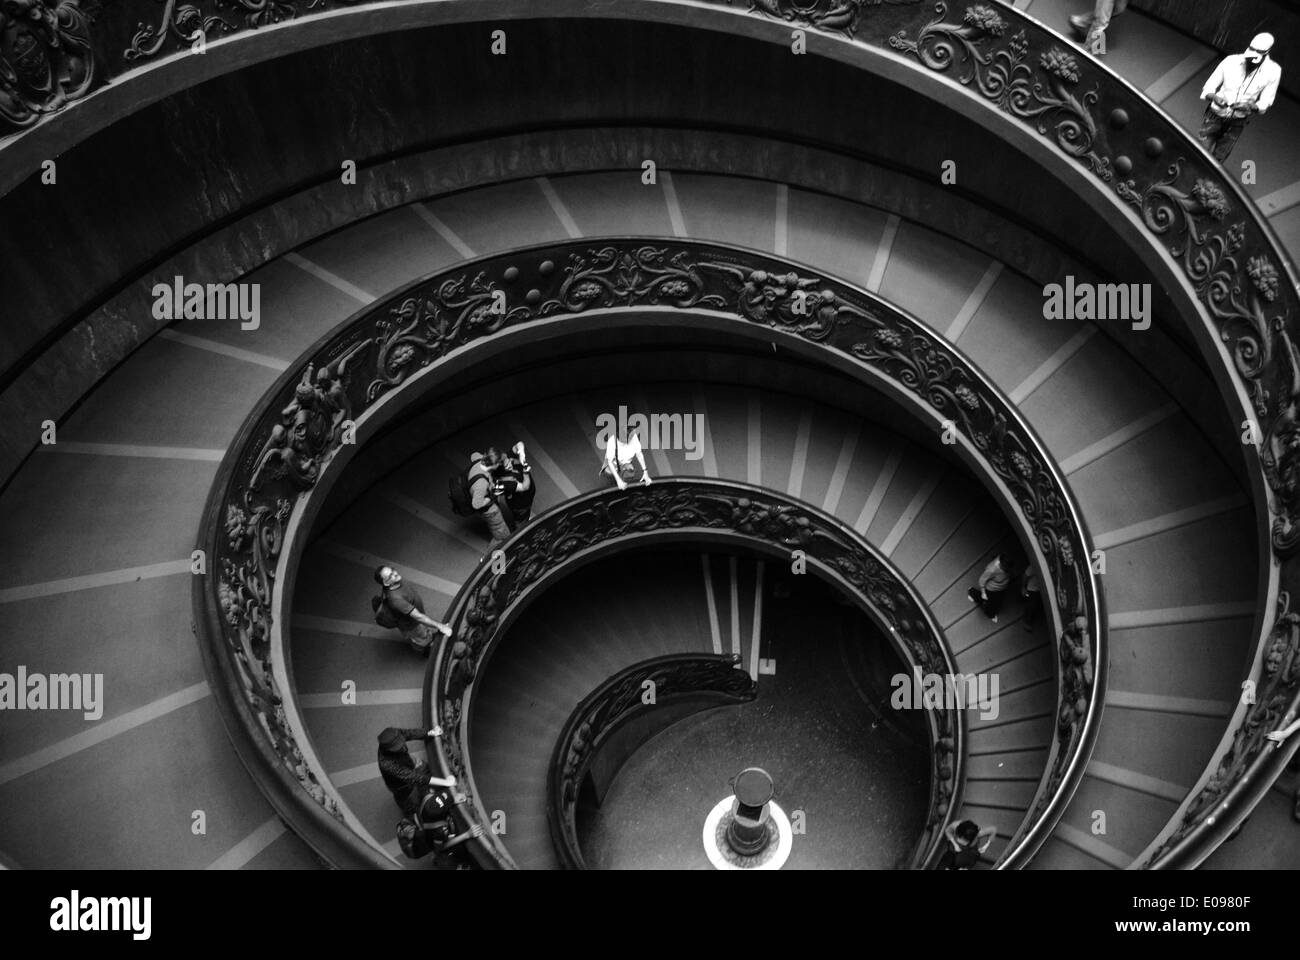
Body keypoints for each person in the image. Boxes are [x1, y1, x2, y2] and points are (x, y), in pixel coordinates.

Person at [1198, 33, 1282, 162]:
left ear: (1266, 54)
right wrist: (1215, 97)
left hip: (1237, 122)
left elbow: (1266, 102)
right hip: (1214, 116)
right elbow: (1208, 88)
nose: (1250, 61)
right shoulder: (1231, 61)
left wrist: (1249, 106)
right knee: (1199, 154)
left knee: (1218, 160)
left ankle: (1204, 182)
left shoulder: (1274, 71)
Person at [372, 565, 452, 654]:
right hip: (413, 625)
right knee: (421, 638)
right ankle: (426, 651)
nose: (395, 574)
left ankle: (428, 639)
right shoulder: (396, 599)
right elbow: (419, 617)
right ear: (386, 583)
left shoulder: (397, 581)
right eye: (390, 576)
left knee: (425, 633)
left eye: (392, 570)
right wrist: (441, 626)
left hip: (416, 620)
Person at [377, 725, 456, 816]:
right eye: (398, 747)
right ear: (389, 749)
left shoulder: (394, 733)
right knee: (406, 801)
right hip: (400, 785)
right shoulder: (387, 764)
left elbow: (409, 733)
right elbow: (415, 777)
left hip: (407, 761)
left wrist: (429, 732)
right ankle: (410, 812)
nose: (403, 746)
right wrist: (445, 782)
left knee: (421, 766)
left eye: (401, 743)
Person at [467, 449, 513, 549]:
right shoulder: (481, 484)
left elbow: (473, 454)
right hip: (489, 511)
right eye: (499, 463)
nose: (500, 465)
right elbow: (476, 504)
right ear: (494, 465)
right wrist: (491, 497)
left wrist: (504, 459)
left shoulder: (479, 459)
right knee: (502, 536)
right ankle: (488, 559)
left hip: (482, 490)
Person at [495, 441, 536, 528]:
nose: (510, 465)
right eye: (506, 466)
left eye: (509, 461)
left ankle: (525, 519)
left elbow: (519, 444)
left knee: (525, 514)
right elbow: (525, 486)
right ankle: (521, 531)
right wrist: (525, 472)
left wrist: (521, 453)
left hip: (526, 497)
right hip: (520, 504)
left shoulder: (504, 458)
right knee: (521, 520)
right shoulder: (505, 482)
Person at [968, 554, 1012, 624]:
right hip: (992, 589)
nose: (1006, 569)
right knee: (989, 602)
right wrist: (983, 592)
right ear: (1001, 563)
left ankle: (973, 593)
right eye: (1004, 567)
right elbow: (981, 580)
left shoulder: (1007, 567)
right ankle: (972, 592)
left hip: (1001, 588)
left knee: (997, 600)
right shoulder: (992, 569)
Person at [1021, 567, 1042, 632]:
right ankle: (1027, 622)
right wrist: (1023, 587)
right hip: (1032, 590)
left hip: (1039, 589)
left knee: (1034, 605)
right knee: (1032, 606)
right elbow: (1025, 576)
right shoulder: (1032, 567)